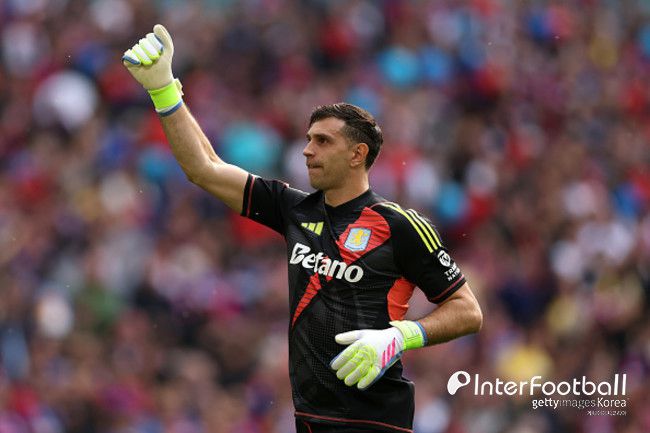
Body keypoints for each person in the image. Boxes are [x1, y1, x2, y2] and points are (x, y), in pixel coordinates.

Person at [123, 25, 482, 433]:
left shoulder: (400, 226)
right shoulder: (292, 208)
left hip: (374, 420)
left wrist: (400, 336)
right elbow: (204, 169)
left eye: (323, 142)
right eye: (309, 139)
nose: (308, 150)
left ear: (357, 154)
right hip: (309, 419)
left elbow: (468, 311)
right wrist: (164, 90)